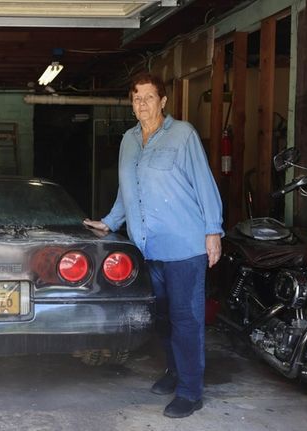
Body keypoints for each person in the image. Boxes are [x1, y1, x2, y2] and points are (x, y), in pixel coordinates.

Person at [84, 72, 222, 418]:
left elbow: (205, 184)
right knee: (161, 317)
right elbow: (126, 190)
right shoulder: (128, 141)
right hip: (147, 247)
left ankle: (191, 391)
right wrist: (111, 222)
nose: (142, 104)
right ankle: (174, 372)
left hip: (184, 245)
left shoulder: (183, 135)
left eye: (148, 97)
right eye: (136, 98)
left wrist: (213, 231)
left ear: (162, 101)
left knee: (185, 318)